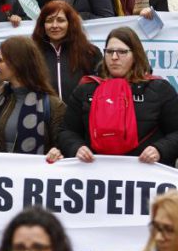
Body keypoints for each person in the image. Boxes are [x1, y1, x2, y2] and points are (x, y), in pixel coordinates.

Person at [57, 27, 178, 164]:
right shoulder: (85, 89)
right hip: (96, 172)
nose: (114, 57)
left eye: (122, 52)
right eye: (109, 52)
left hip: (144, 173)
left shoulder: (160, 89)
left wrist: (160, 150)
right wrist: (77, 147)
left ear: (136, 55)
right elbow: (67, 131)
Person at [0, 36, 65, 154]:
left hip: (33, 166)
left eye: (0, 60)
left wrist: (56, 153)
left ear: (17, 63)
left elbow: (62, 146)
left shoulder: (52, 104)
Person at [31, 1, 102, 102]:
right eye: (49, 21)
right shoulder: (32, 54)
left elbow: (102, 88)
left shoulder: (90, 52)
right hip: (44, 112)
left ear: (70, 23)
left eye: (60, 20)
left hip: (80, 112)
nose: (54, 25)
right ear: (43, 25)